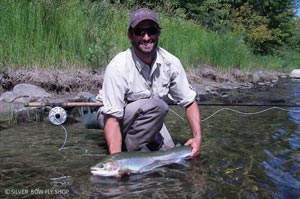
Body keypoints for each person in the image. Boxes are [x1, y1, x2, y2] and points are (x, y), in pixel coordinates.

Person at [96, 7, 202, 157]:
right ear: (130, 35)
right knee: (158, 107)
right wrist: (116, 159)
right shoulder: (118, 67)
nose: (146, 37)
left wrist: (197, 138)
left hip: (148, 117)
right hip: (112, 116)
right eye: (140, 32)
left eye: (151, 31)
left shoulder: (171, 63)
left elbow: (189, 101)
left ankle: (135, 150)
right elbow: (112, 119)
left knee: (169, 154)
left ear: (158, 33)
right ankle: (127, 151)